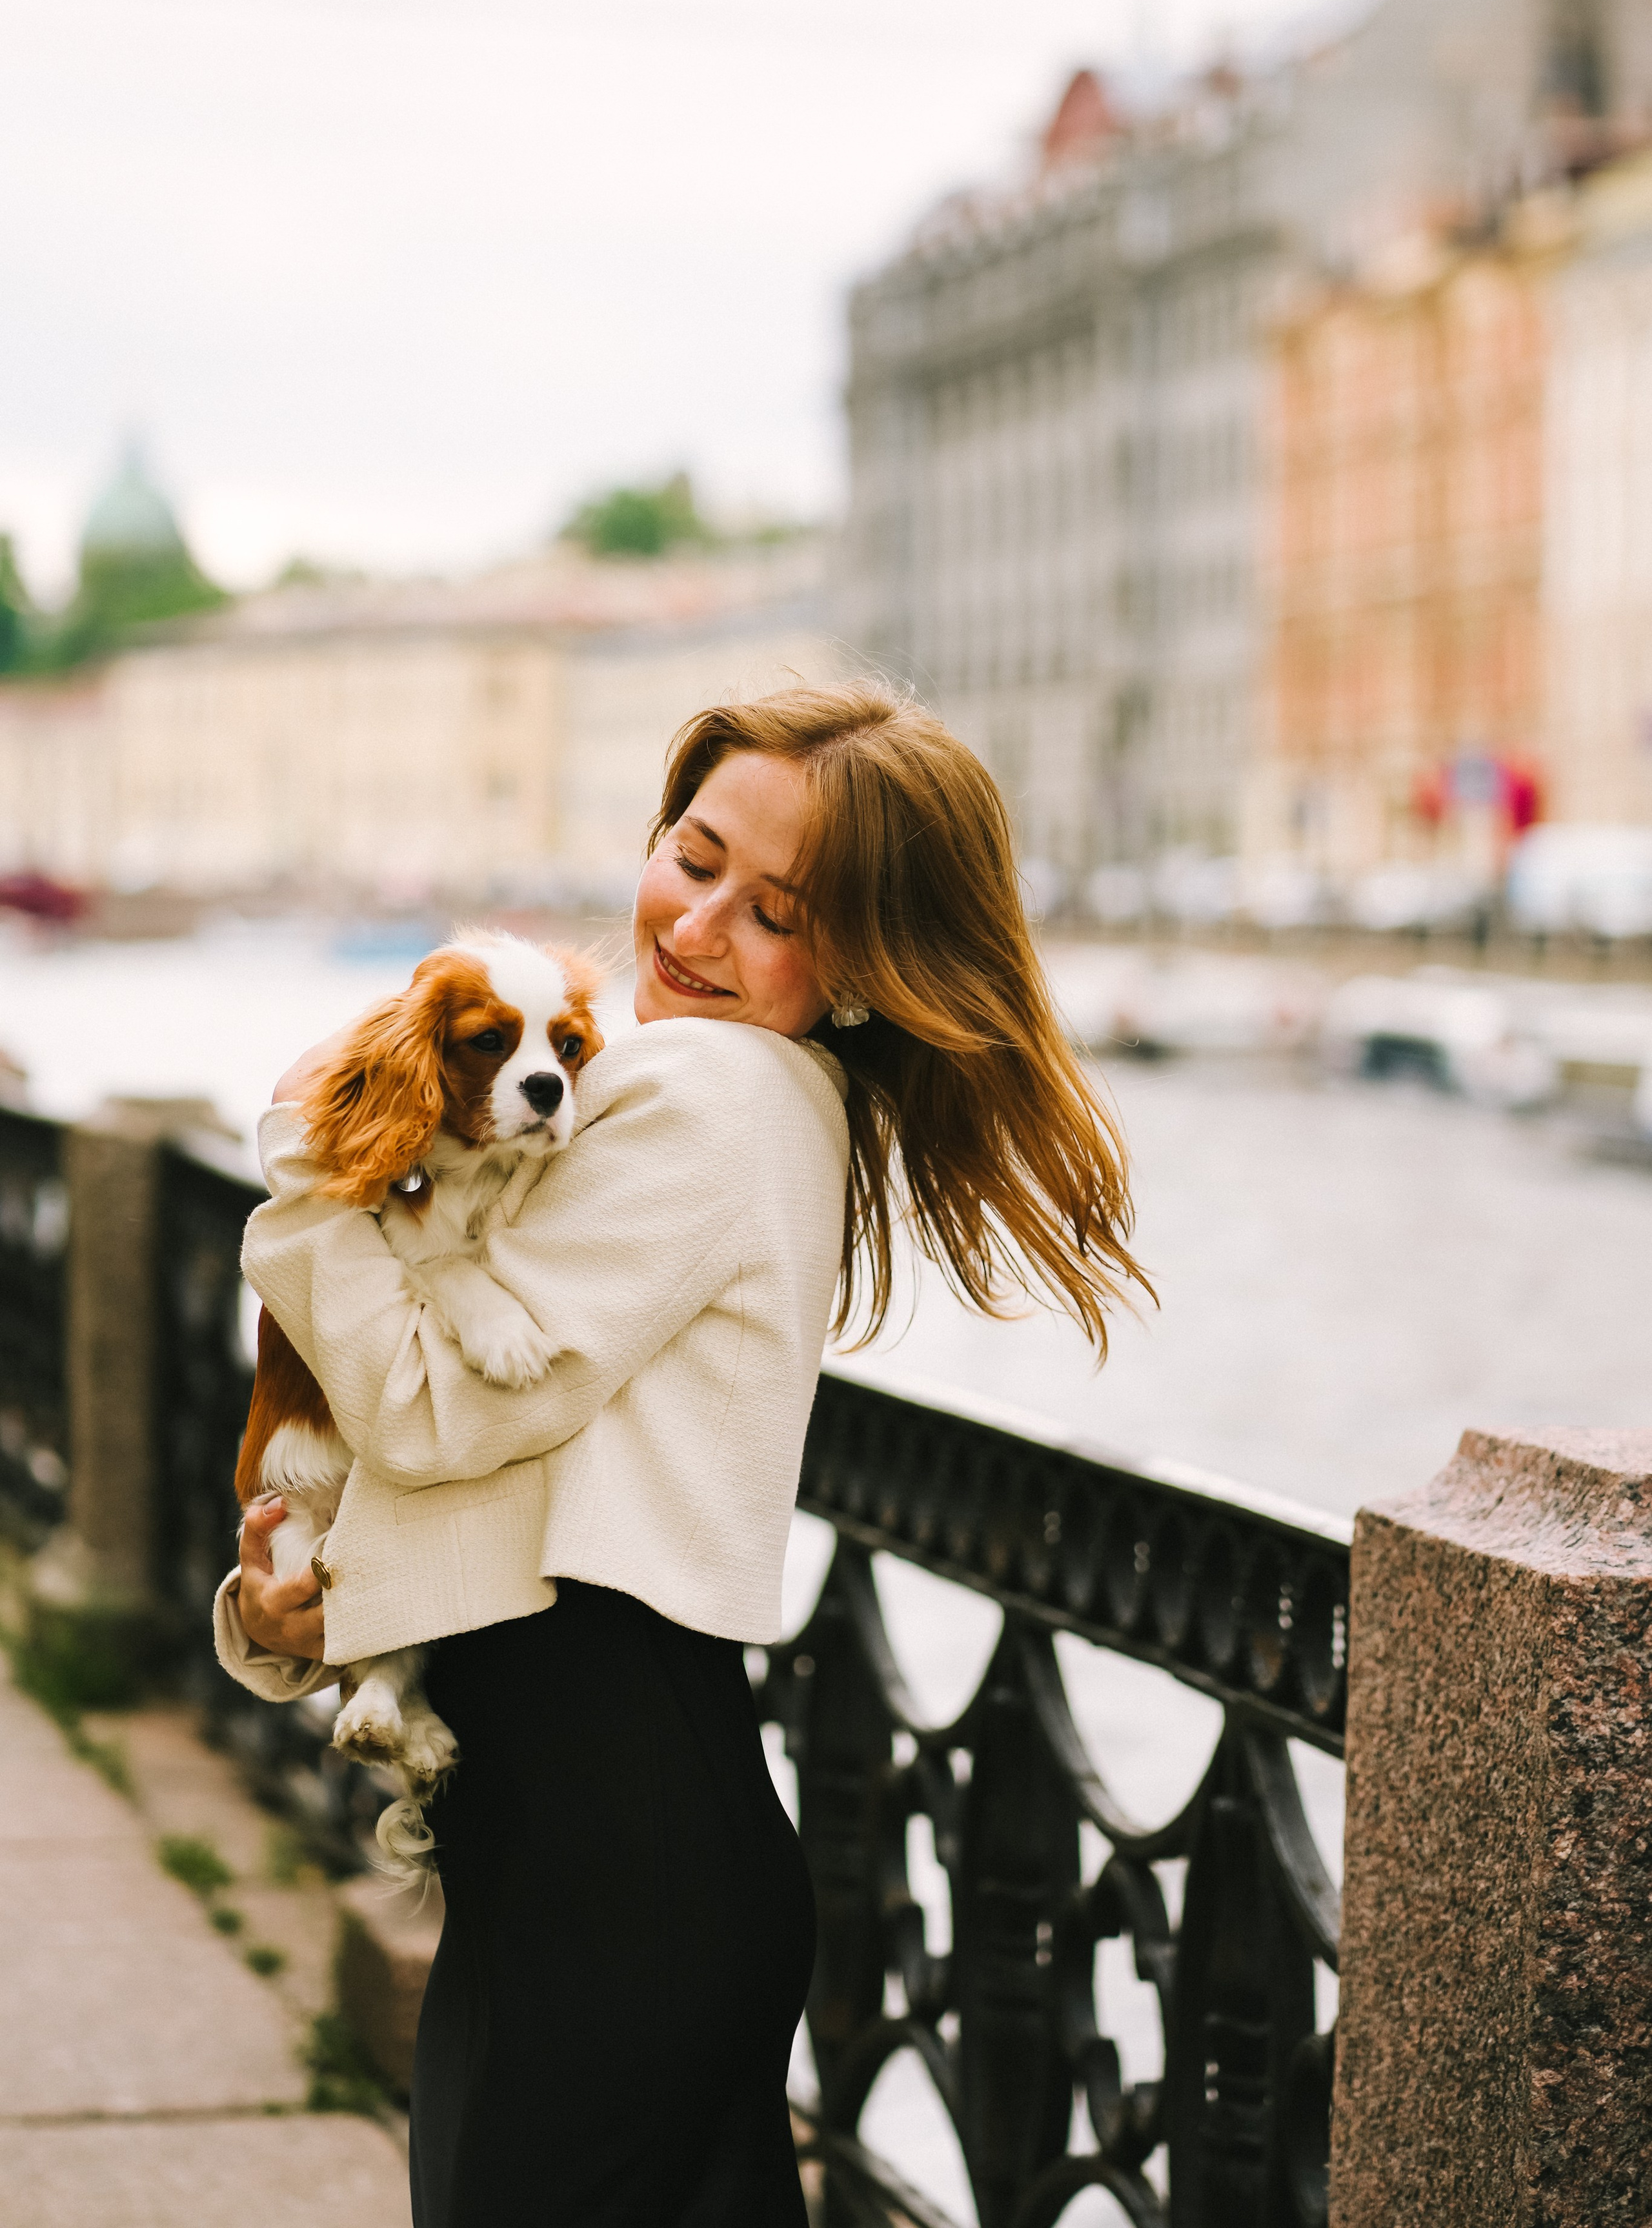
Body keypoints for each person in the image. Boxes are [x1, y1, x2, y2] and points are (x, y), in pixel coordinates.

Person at [217, 680, 1149, 2227]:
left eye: (774, 912)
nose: (696, 926)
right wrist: (282, 1618)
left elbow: (430, 1410)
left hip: (611, 1882)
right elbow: (483, 1473)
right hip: (606, 1862)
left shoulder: (700, 1093)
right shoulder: (723, 1094)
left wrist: (310, 1176)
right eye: (691, 853)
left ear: (857, 965)